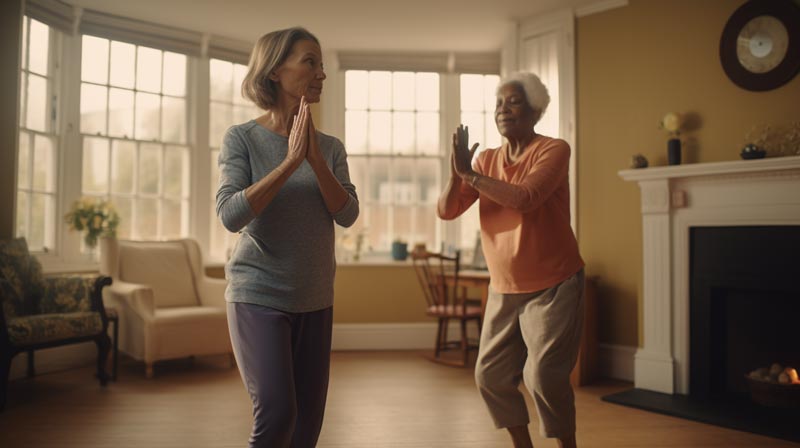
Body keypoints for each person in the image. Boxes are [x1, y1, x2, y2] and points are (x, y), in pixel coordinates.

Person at [216, 27, 358, 448]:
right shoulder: (241, 138)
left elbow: (347, 214)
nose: (321, 73)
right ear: (276, 70)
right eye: (309, 61)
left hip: (316, 297)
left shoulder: (330, 147)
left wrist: (313, 159)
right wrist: (289, 162)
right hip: (258, 293)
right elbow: (230, 214)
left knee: (306, 429)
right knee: (278, 413)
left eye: (322, 63)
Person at [437, 72, 585, 448]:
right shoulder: (486, 159)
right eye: (498, 104)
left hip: (554, 282)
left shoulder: (554, 149)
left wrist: (471, 174)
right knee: (490, 376)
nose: (503, 110)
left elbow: (526, 198)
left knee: (545, 377)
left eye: (513, 102)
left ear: (535, 111)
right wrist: (459, 174)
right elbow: (447, 210)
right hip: (505, 286)